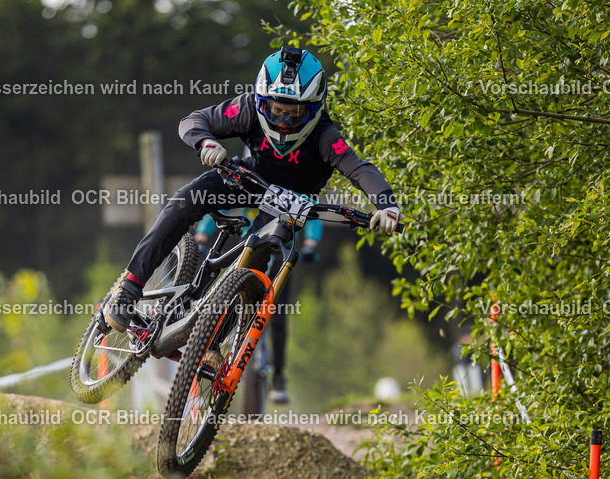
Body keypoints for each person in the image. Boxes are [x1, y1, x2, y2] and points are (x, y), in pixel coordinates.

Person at [103, 46, 400, 333]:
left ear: (314, 108)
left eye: (294, 113)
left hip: (289, 204)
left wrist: (386, 205)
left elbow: (360, 169)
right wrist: (206, 142)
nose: (283, 122)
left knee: (256, 267)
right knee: (185, 200)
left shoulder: (325, 135)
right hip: (248, 180)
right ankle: (129, 289)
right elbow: (194, 120)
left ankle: (213, 341)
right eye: (276, 110)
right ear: (261, 101)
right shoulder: (247, 108)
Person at [193, 211, 322, 405]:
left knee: (278, 316)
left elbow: (310, 213)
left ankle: (278, 377)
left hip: (281, 254)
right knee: (231, 298)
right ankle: (213, 348)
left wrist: (311, 243)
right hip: (250, 247)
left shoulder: (295, 192)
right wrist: (202, 234)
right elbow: (225, 204)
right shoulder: (258, 191)